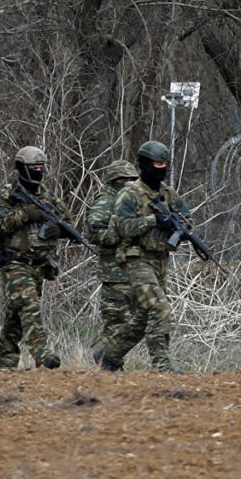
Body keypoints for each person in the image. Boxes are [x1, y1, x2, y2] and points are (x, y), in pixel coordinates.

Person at [99, 141, 190, 373]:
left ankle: (109, 355)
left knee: (141, 317)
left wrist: (180, 228)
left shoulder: (168, 194)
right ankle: (162, 366)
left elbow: (187, 217)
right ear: (145, 164)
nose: (162, 169)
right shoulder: (129, 194)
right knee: (159, 309)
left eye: (165, 164)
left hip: (160, 260)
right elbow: (123, 227)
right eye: (157, 164)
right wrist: (153, 220)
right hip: (137, 259)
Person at [0, 146, 68, 370]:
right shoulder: (8, 195)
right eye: (33, 167)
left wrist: (58, 230)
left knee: (16, 315)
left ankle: (5, 362)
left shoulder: (47, 195)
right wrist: (24, 214)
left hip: (39, 264)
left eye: (41, 167)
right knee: (28, 305)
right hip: (14, 262)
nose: (38, 171)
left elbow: (66, 219)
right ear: (22, 168)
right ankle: (43, 354)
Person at [86, 159, 143, 364]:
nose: (128, 182)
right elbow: (94, 234)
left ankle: (107, 356)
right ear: (113, 180)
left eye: (131, 179)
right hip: (114, 273)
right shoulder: (106, 201)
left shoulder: (136, 200)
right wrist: (119, 231)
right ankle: (110, 365)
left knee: (142, 320)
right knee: (116, 322)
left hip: (137, 270)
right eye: (122, 179)